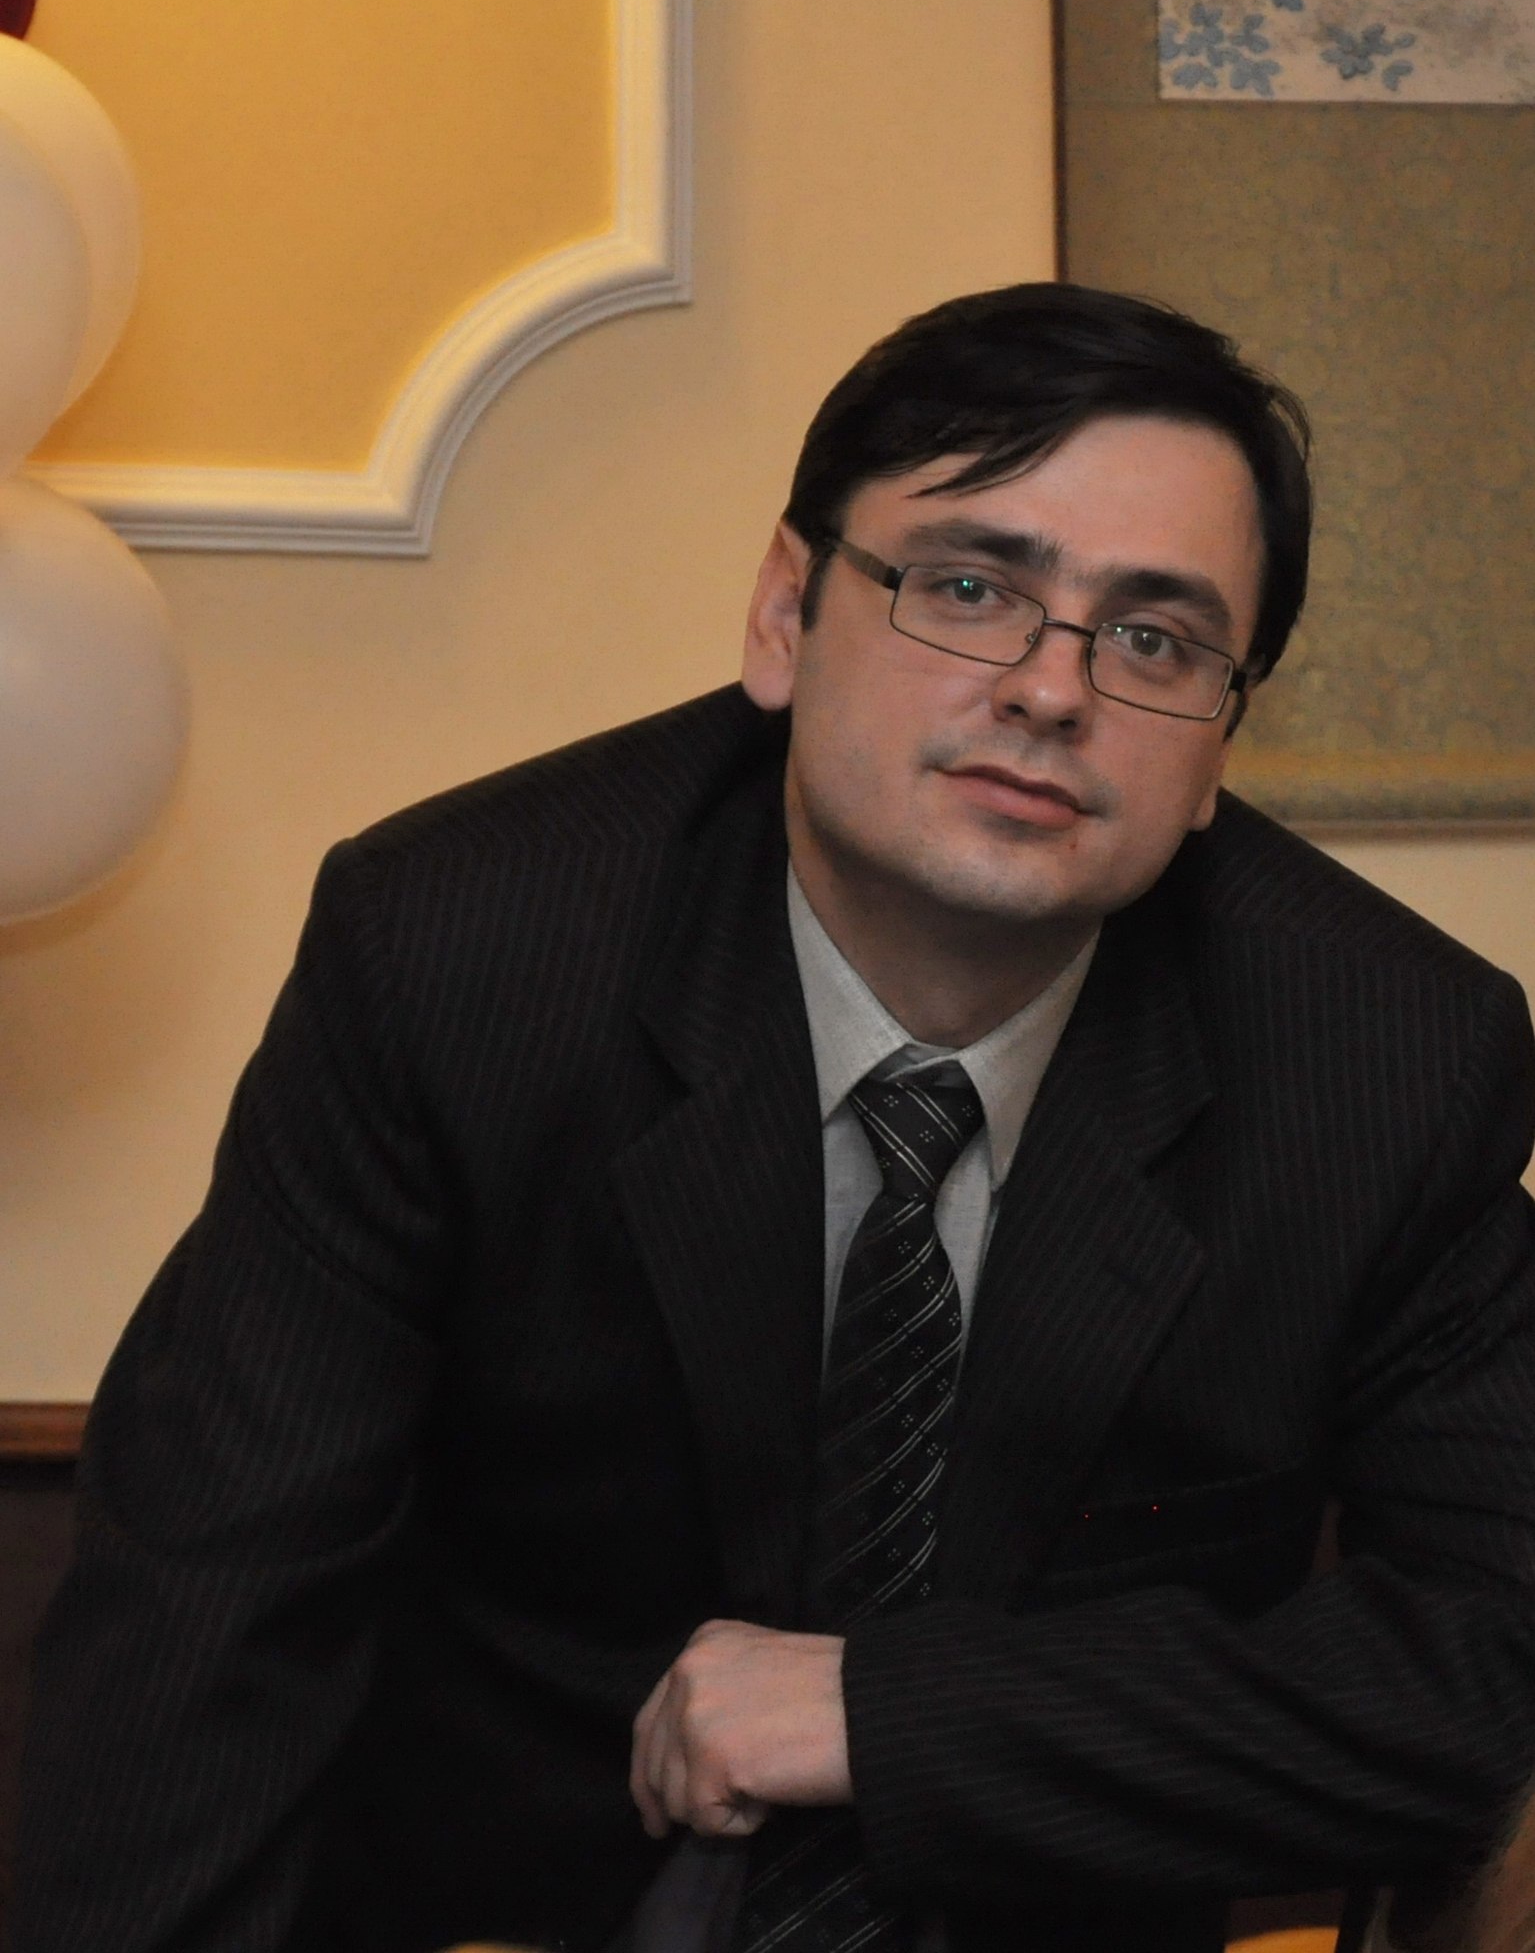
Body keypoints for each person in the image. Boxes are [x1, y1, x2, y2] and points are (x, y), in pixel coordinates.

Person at [15, 284, 1535, 1953]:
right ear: (783, 615)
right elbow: (204, 1618)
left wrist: (889, 1716)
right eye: (971, 588)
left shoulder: (1389, 1062)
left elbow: (1493, 1663)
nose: (1052, 690)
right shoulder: (460, 957)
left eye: (1155, 641)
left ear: (1222, 740)